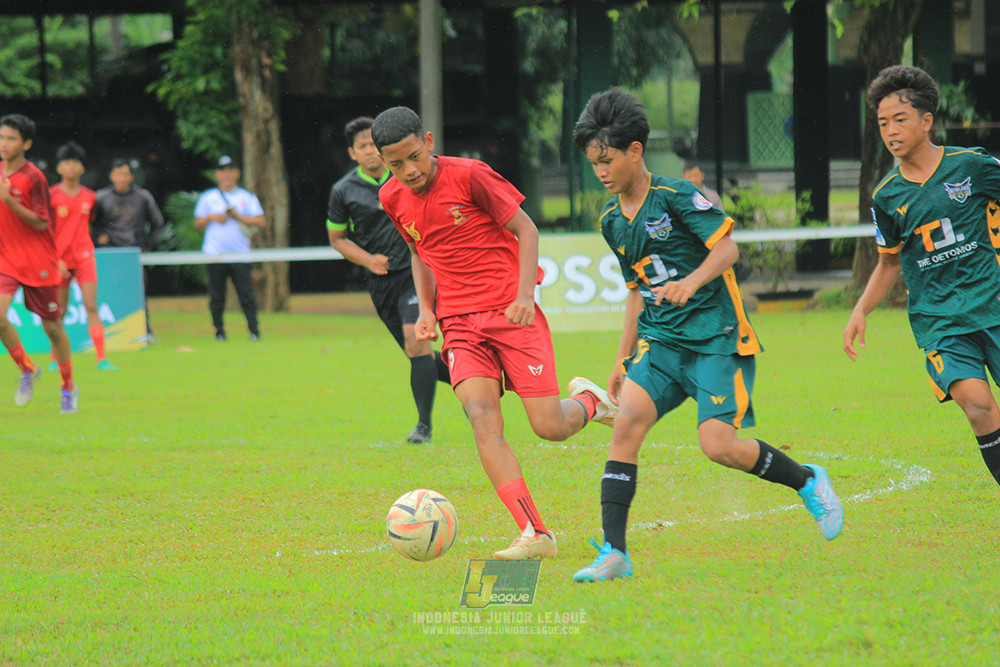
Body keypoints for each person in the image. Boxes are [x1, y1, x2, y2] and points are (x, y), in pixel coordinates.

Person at [570, 88, 842, 582]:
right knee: (626, 428)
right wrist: (620, 358)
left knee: (718, 446)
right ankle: (614, 552)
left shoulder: (676, 198)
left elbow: (729, 250)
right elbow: (636, 291)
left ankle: (807, 481)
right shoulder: (612, 222)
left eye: (607, 160)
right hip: (661, 344)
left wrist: (691, 281)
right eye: (594, 164)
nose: (602, 172)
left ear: (635, 151)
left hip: (717, 338)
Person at [371, 106, 616, 559]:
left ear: (427, 141)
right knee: (482, 418)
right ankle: (535, 532)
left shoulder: (471, 176)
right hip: (459, 324)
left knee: (549, 426)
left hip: (510, 313)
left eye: (412, 157)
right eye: (395, 164)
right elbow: (418, 252)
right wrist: (427, 310)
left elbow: (526, 228)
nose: (408, 171)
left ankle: (590, 402)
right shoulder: (391, 197)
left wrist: (525, 295)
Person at [844, 65, 1000, 488]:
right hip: (940, 322)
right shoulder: (886, 196)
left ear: (926, 121)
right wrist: (861, 309)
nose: (890, 130)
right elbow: (889, 263)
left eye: (900, 119)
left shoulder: (972, 166)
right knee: (977, 404)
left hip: (993, 305)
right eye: (882, 123)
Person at [327, 117, 452, 444]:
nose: (369, 151)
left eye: (373, 145)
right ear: (353, 153)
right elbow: (337, 239)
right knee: (419, 356)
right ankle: (472, 380)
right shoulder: (343, 191)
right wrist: (368, 260)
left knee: (417, 342)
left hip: (417, 272)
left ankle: (423, 428)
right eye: (363, 146)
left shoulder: (406, 179)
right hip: (381, 282)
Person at [0, 114, 79, 413]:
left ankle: (68, 387)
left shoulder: (34, 177)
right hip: (6, 259)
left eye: (11, 139)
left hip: (38, 261)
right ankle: (27, 369)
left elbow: (40, 222)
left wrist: (9, 201)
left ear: (26, 144)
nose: (4, 144)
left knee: (53, 328)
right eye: (1, 137)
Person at [48, 141, 117, 371]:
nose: (71, 167)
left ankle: (102, 358)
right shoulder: (51, 196)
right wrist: (55, 260)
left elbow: (97, 224)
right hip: (59, 261)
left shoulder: (90, 197)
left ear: (82, 168)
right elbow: (43, 231)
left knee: (91, 306)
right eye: (66, 162)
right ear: (59, 168)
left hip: (85, 257)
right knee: (60, 310)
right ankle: (54, 358)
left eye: (75, 162)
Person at [92, 158, 165, 344]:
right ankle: (109, 332)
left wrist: (147, 242)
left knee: (138, 293)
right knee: (108, 292)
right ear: (112, 176)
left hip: (133, 254)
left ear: (131, 176)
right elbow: (90, 224)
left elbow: (158, 224)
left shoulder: (143, 197)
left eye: (126, 174)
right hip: (109, 254)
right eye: (119, 174)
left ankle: (145, 331)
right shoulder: (101, 197)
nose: (122, 178)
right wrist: (98, 237)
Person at [193, 156, 265, 342]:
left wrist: (237, 216)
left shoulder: (246, 197)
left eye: (230, 170)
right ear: (217, 174)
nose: (227, 174)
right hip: (215, 254)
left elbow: (260, 221)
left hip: (240, 254)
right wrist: (212, 217)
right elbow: (198, 223)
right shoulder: (208, 197)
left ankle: (254, 331)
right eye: (223, 170)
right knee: (217, 296)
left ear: (237, 173)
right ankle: (219, 332)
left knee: (246, 295)